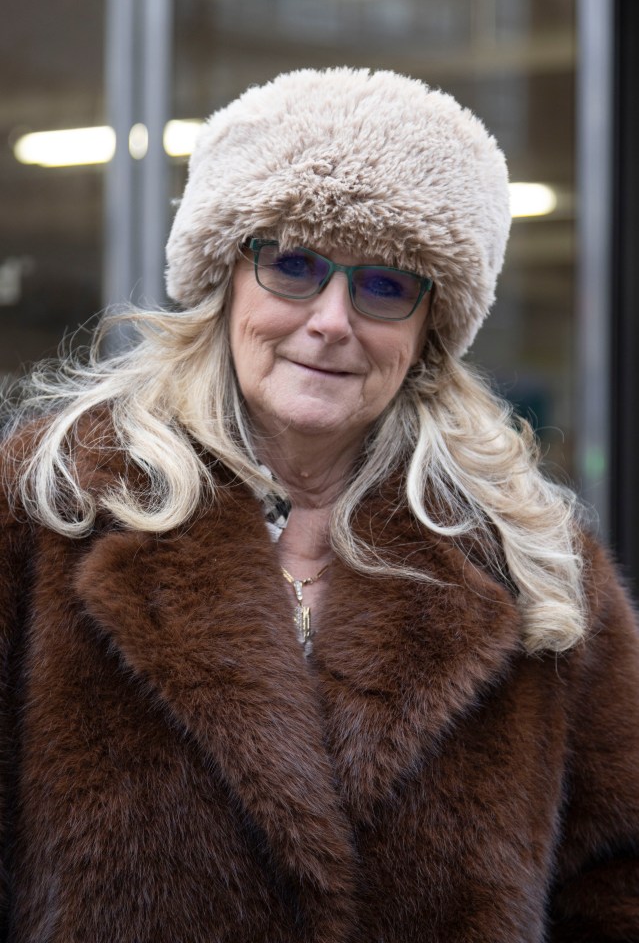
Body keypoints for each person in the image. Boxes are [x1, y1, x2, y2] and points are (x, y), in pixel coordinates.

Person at [1, 67, 638, 943]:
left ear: (428, 330)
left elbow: (616, 884)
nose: (333, 320)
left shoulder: (532, 562)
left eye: (384, 285)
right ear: (226, 280)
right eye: (294, 265)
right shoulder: (52, 503)